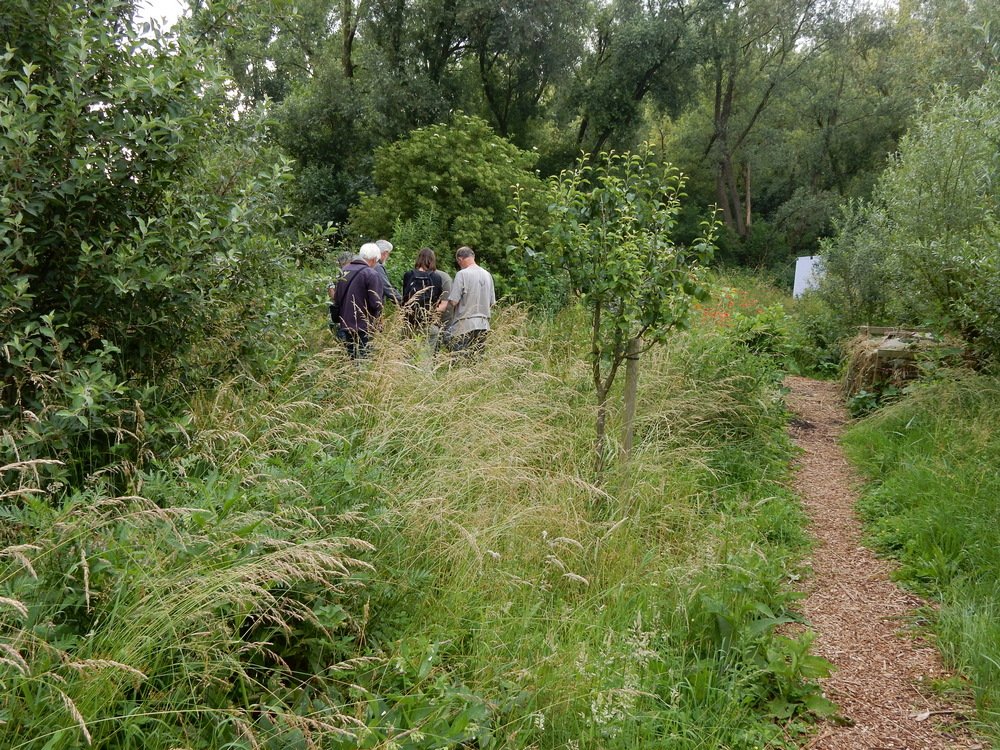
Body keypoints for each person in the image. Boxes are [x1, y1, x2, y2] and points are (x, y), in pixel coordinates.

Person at [436, 246, 495, 357]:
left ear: (460, 259)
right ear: (473, 257)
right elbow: (492, 302)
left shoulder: (462, 274)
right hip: (483, 324)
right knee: (477, 359)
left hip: (464, 325)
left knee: (460, 360)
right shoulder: (488, 275)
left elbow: (454, 301)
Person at [332, 242, 385, 359]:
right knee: (364, 358)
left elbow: (336, 297)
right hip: (363, 325)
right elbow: (376, 303)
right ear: (374, 258)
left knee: (350, 358)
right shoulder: (371, 274)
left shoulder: (344, 270)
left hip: (344, 323)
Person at [402, 247, 444, 332]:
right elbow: (437, 300)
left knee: (408, 344)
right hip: (428, 321)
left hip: (409, 322)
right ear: (432, 260)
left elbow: (405, 297)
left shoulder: (409, 275)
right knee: (431, 340)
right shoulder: (436, 277)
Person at [374, 239, 403, 305]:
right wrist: (403, 301)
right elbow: (386, 288)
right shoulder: (377, 267)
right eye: (388, 254)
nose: (388, 257)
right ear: (385, 253)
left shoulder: (367, 263)